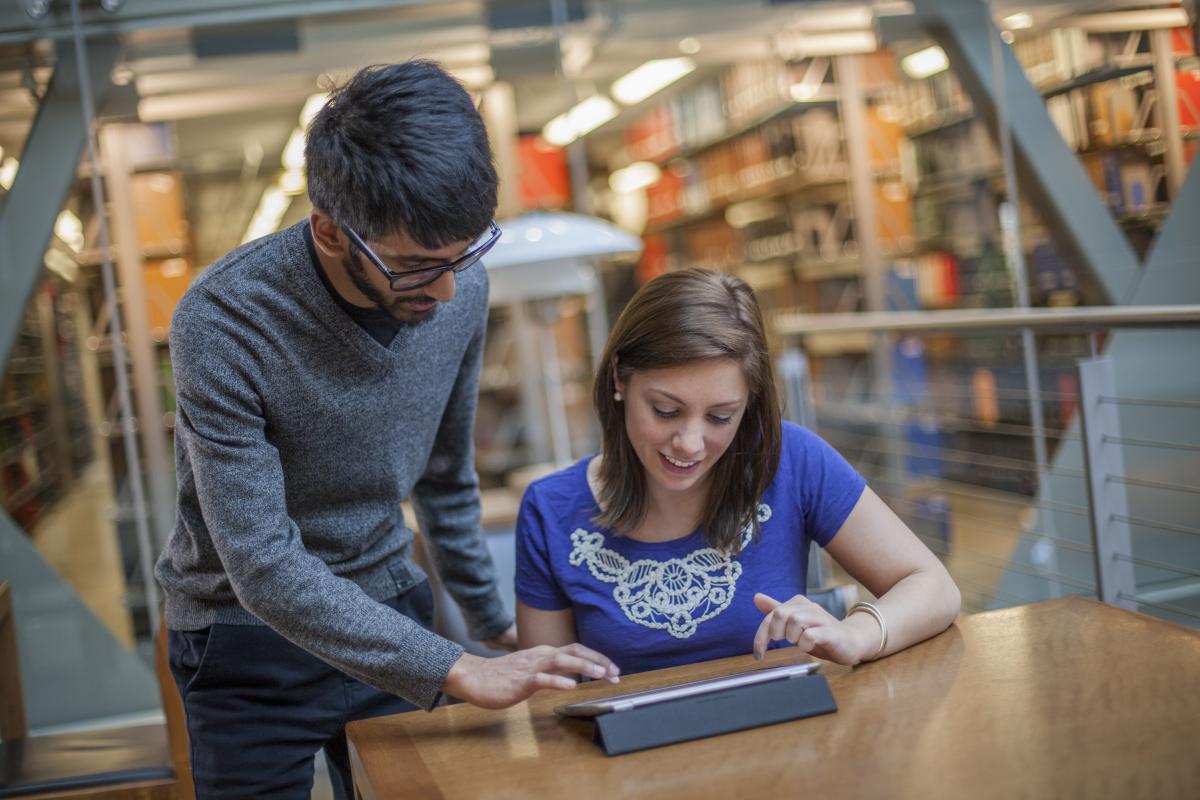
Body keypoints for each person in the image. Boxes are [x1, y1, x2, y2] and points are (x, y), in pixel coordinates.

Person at [155, 61, 616, 800]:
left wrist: (494, 625)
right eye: (414, 267)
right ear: (332, 233)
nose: (445, 289)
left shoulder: (459, 285)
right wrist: (455, 667)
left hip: (389, 604)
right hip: (245, 641)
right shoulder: (224, 320)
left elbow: (444, 473)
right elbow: (263, 562)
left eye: (463, 255)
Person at [515, 268, 960, 674]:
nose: (689, 443)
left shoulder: (790, 459)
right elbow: (550, 701)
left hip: (787, 743)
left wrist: (854, 634)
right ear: (618, 378)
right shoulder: (551, 509)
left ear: (748, 404)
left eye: (720, 417)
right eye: (666, 410)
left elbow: (934, 587)